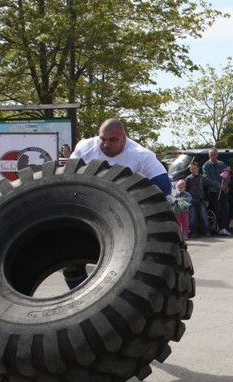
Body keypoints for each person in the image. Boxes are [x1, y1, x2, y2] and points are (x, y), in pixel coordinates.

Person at [66, 118, 171, 288]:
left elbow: (164, 187)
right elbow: (67, 176)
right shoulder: (85, 147)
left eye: (112, 140)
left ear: (124, 138)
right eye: (103, 139)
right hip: (90, 208)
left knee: (123, 266)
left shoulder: (140, 154)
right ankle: (80, 296)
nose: (106, 144)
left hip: (124, 215)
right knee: (71, 262)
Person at [203, 147, 231, 235]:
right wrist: (218, 185)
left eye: (214, 155)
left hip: (224, 191)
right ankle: (218, 228)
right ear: (209, 155)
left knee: (226, 209)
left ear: (217, 155)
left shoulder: (222, 164)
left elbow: (227, 175)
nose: (213, 156)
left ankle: (223, 228)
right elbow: (207, 178)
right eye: (211, 155)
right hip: (214, 191)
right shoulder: (206, 166)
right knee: (217, 210)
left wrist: (225, 184)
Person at [185, 161, 211, 237]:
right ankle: (193, 232)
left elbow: (206, 189)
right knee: (192, 217)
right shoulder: (188, 179)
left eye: (194, 168)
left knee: (204, 216)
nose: (193, 170)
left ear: (198, 169)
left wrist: (207, 200)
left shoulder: (202, 178)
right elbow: (186, 190)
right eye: (191, 169)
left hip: (201, 200)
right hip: (192, 200)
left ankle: (207, 231)